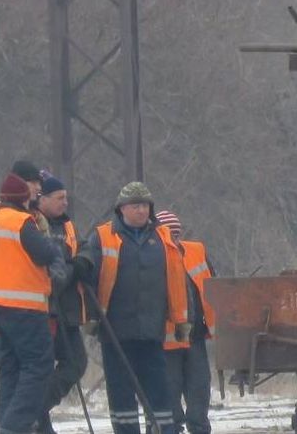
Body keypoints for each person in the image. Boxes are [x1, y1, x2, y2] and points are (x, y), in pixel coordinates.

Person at [75, 182, 188, 434]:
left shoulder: (163, 238)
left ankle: (162, 430)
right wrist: (91, 316)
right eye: (136, 205)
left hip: (152, 329)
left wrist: (181, 320)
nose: (141, 211)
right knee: (121, 392)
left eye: (145, 205)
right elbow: (90, 276)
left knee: (159, 389)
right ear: (121, 209)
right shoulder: (103, 236)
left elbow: (177, 280)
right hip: (116, 330)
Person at [0, 172, 68, 434]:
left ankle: (2, 424)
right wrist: (56, 252)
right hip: (26, 306)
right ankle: (14, 427)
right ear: (24, 199)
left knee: (10, 370)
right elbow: (45, 252)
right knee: (39, 366)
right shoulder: (21, 222)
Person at [34, 172, 88, 433]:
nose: (65, 202)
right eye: (59, 197)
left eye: (66, 197)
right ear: (42, 199)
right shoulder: (32, 224)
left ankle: (36, 410)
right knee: (41, 368)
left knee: (77, 363)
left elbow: (82, 249)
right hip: (43, 310)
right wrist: (71, 270)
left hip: (66, 311)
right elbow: (51, 274)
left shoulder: (68, 227)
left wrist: (85, 261)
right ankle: (38, 419)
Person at [157, 210, 216, 434]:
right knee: (168, 395)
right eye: (168, 233)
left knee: (199, 391)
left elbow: (211, 285)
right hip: (166, 340)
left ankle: (199, 428)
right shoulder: (153, 257)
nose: (173, 237)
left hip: (195, 336)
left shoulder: (196, 251)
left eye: (176, 232)